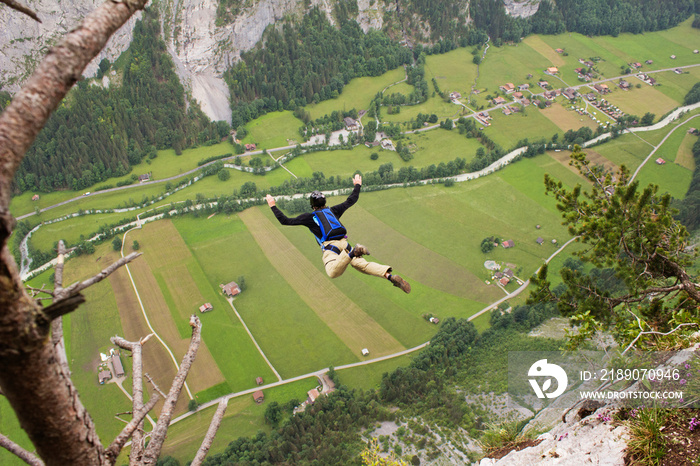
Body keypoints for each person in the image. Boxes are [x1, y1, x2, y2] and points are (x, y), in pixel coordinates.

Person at [265, 174, 411, 293]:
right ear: (324, 202)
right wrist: (357, 185)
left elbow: (285, 221)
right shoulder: (333, 211)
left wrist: (273, 205)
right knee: (363, 266)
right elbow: (351, 200)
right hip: (346, 244)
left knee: (332, 272)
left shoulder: (308, 217)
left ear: (312, 205)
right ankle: (389, 276)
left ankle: (354, 253)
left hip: (331, 248)